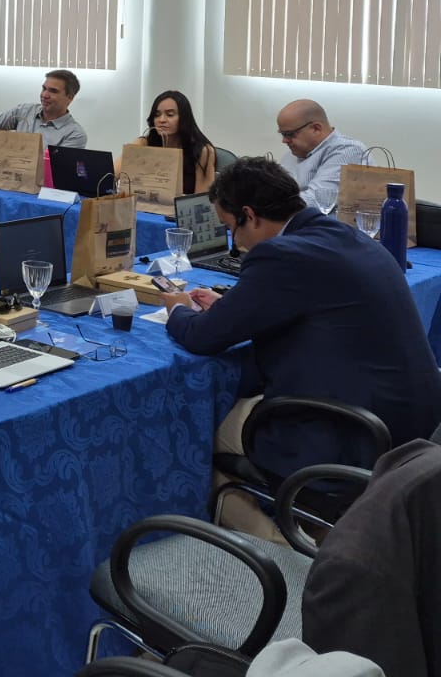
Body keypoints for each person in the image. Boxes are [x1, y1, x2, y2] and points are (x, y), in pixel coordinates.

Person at [162, 157, 441, 539]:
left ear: (250, 215)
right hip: (410, 427)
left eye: (231, 229)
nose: (235, 243)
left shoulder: (280, 256)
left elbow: (202, 337)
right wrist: (230, 305)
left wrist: (178, 311)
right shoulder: (344, 236)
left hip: (344, 434)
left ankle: (290, 557)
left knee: (192, 434)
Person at [275, 99, 366, 211]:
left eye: (289, 134)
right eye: (282, 134)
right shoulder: (292, 154)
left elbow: (317, 201)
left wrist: (265, 204)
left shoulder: (347, 150)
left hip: (325, 226)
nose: (284, 140)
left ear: (316, 128)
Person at [123, 89, 216, 194]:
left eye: (170, 114)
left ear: (184, 118)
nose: (161, 120)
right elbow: (115, 171)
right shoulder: (144, 142)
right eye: (157, 115)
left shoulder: (203, 151)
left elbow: (202, 202)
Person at [0, 69, 86, 149]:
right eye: (44, 88)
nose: (45, 95)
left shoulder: (74, 134)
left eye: (53, 91)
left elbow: (58, 170)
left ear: (70, 98)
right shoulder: (25, 111)